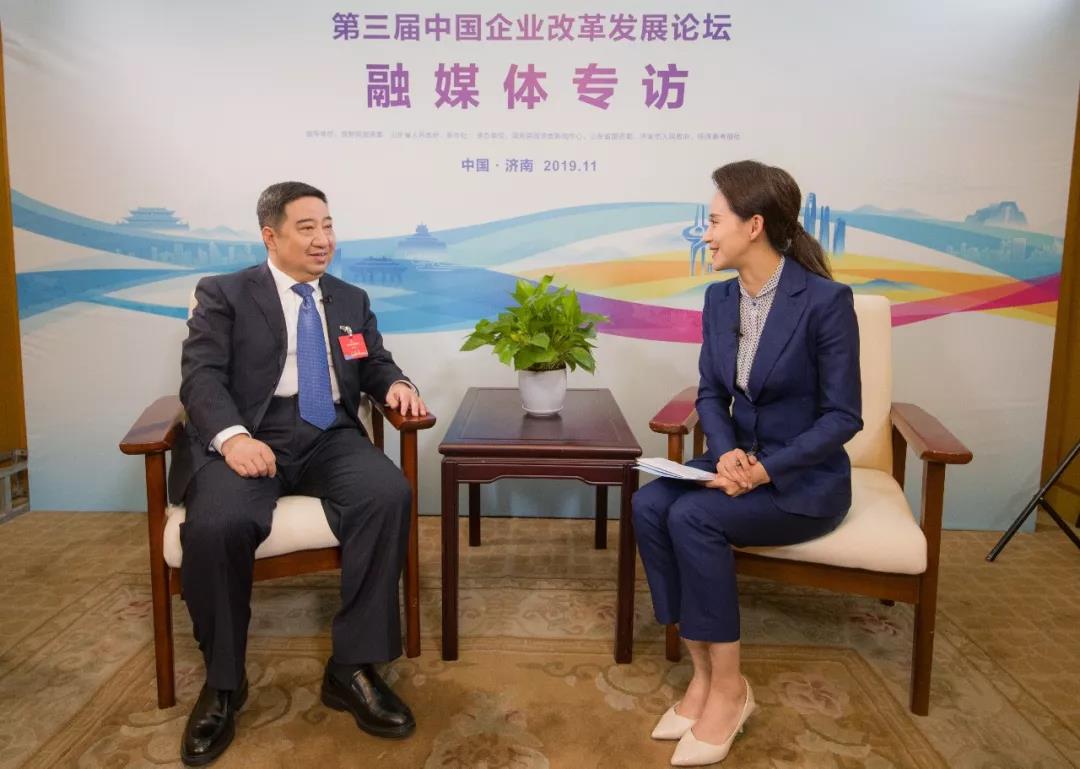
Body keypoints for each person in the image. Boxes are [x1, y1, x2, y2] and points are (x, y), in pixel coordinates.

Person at [168, 181, 427, 766]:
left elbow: (373, 361)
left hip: (328, 433)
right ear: (271, 236)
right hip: (251, 433)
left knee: (386, 493)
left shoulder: (349, 298)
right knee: (218, 523)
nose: (323, 239)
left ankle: (352, 668)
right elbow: (200, 377)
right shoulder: (224, 294)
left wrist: (396, 383)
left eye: (328, 226)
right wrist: (233, 438)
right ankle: (225, 683)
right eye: (307, 228)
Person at [632, 161, 863, 766]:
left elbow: (843, 417)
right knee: (650, 504)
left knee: (692, 518)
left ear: (753, 225)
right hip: (736, 461)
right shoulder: (719, 298)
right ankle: (703, 676)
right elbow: (711, 391)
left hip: (802, 483)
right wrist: (729, 449)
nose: (705, 235)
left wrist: (762, 471)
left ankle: (731, 691)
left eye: (714, 222)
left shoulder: (825, 302)